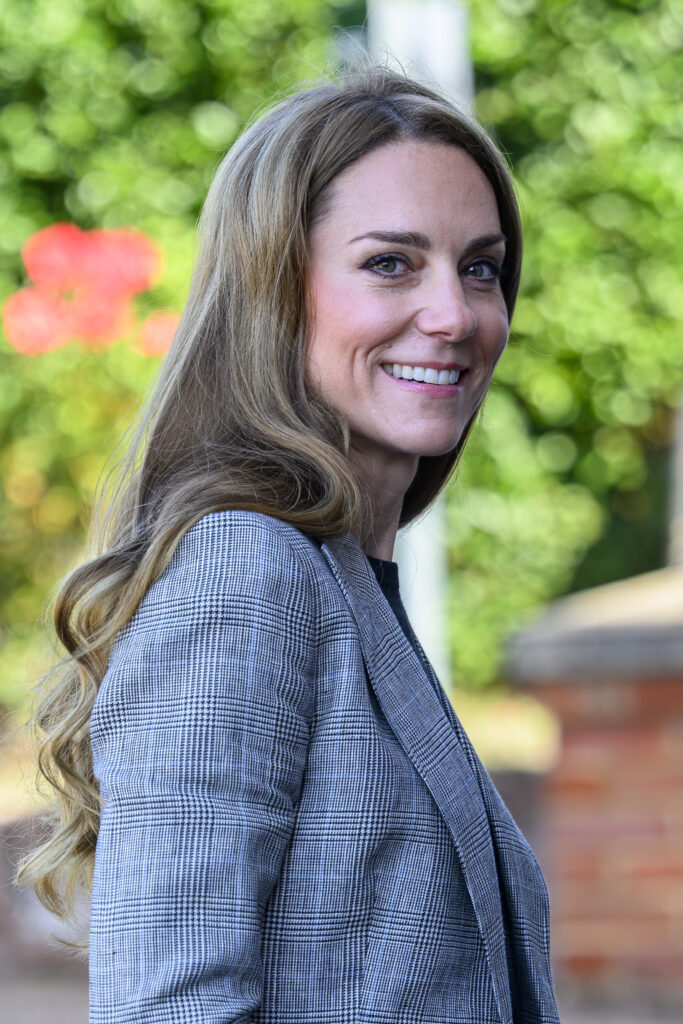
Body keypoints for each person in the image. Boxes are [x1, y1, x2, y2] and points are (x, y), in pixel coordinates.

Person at [19, 63, 560, 1023]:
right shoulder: (244, 572)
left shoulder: (343, 580)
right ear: (273, 289)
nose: (454, 314)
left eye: (480, 267)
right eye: (390, 263)